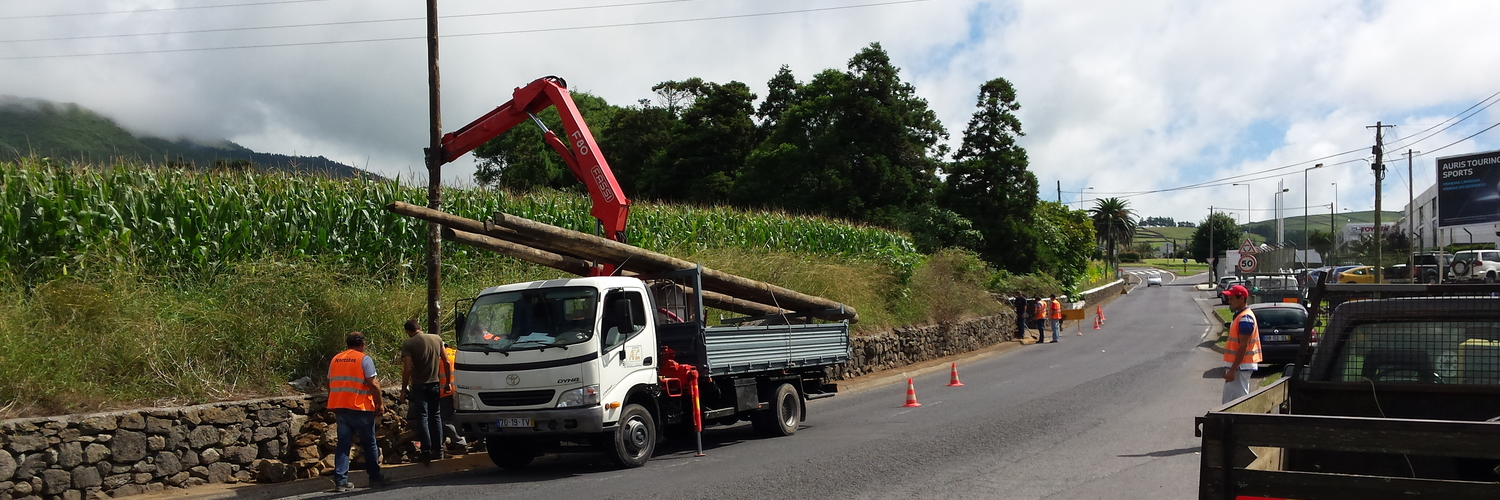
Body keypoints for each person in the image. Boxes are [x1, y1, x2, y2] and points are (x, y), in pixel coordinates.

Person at [328, 332, 386, 491]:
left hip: (341, 407)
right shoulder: (363, 359)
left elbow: (330, 383)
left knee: (343, 445)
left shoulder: (336, 359)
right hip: (360, 408)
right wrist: (379, 404)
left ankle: (340, 481)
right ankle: (375, 477)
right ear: (362, 344)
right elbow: (373, 384)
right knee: (369, 444)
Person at [400, 319, 445, 462]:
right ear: (420, 327)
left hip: (419, 385)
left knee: (423, 418)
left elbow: (407, 369)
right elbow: (447, 361)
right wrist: (448, 382)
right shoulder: (436, 338)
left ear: (408, 331)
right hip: (435, 383)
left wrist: (403, 389)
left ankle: (426, 451)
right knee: (436, 416)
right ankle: (439, 450)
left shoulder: (409, 343)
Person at [1221, 285, 1262, 404]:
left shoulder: (1245, 318)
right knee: (1231, 400)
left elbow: (1243, 346)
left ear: (1242, 299)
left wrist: (1232, 369)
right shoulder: (1241, 316)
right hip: (1239, 366)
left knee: (1238, 401)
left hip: (1240, 367)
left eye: (1232, 298)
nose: (1229, 301)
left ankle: (1237, 422)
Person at [437, 343, 468, 454]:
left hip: (445, 391)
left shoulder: (439, 357)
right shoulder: (456, 353)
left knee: (446, 420)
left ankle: (460, 443)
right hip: (460, 390)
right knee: (458, 417)